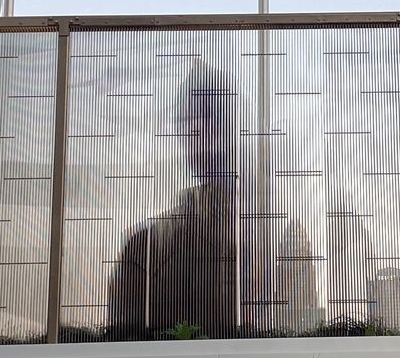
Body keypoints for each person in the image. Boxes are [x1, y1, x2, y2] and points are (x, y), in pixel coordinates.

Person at [106, 61, 306, 339]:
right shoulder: (148, 248)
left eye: (204, 118)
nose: (192, 133)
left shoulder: (272, 238)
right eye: (186, 123)